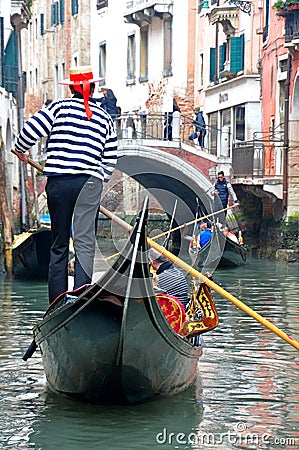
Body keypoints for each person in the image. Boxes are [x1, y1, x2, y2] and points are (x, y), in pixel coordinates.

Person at [14, 65, 118, 304]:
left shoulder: (57, 108)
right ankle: (81, 298)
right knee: (84, 244)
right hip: (89, 185)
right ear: (92, 88)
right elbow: (110, 155)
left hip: (59, 184)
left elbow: (29, 129)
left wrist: (21, 149)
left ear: (71, 87)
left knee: (59, 244)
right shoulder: (104, 118)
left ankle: (57, 302)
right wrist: (99, 177)